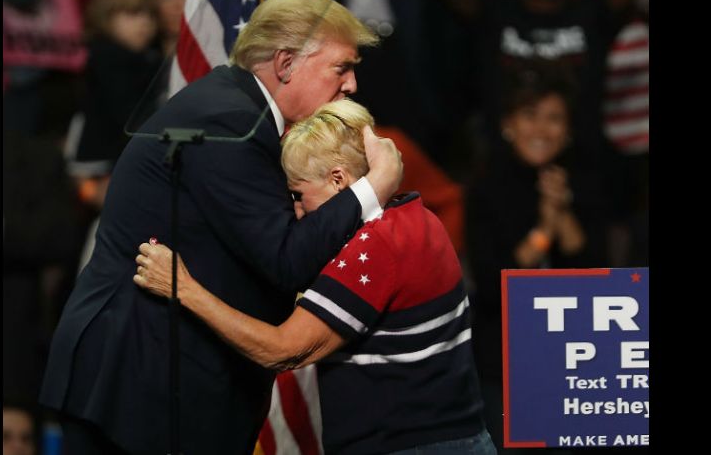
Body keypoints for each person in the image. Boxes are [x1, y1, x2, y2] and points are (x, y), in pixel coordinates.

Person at [39, 0, 402, 455]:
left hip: (159, 379)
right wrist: (374, 186)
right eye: (341, 67)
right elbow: (287, 261)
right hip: (140, 384)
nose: (351, 84)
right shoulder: (230, 123)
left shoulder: (234, 108)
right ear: (287, 64)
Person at [134, 99, 495, 455]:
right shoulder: (418, 217)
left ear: (339, 180)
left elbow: (282, 350)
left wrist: (182, 287)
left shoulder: (375, 246)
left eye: (298, 193)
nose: (295, 211)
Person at [465, 64, 607, 454]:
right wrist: (544, 230)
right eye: (530, 116)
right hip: (506, 356)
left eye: (554, 118)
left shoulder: (587, 180)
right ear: (509, 124)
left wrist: (561, 213)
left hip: (578, 353)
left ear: (569, 129)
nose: (541, 130)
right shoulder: (486, 188)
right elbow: (495, 286)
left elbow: (599, 276)